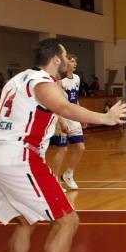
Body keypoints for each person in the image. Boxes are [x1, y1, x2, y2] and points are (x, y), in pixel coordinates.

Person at [0, 38, 126, 252]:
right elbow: (64, 106)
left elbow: (32, 111)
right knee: (67, 221)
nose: (69, 61)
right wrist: (106, 118)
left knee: (25, 221)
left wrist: (56, 121)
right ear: (56, 60)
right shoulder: (43, 81)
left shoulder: (16, 80)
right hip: (19, 155)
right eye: (65, 56)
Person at [49, 54, 85, 190]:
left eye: (76, 61)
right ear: (66, 63)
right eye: (72, 61)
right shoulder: (59, 81)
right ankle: (54, 180)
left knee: (80, 148)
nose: (75, 63)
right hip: (62, 117)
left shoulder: (77, 78)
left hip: (74, 116)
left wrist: (81, 116)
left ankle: (68, 174)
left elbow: (76, 99)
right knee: (63, 149)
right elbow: (56, 103)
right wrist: (61, 121)